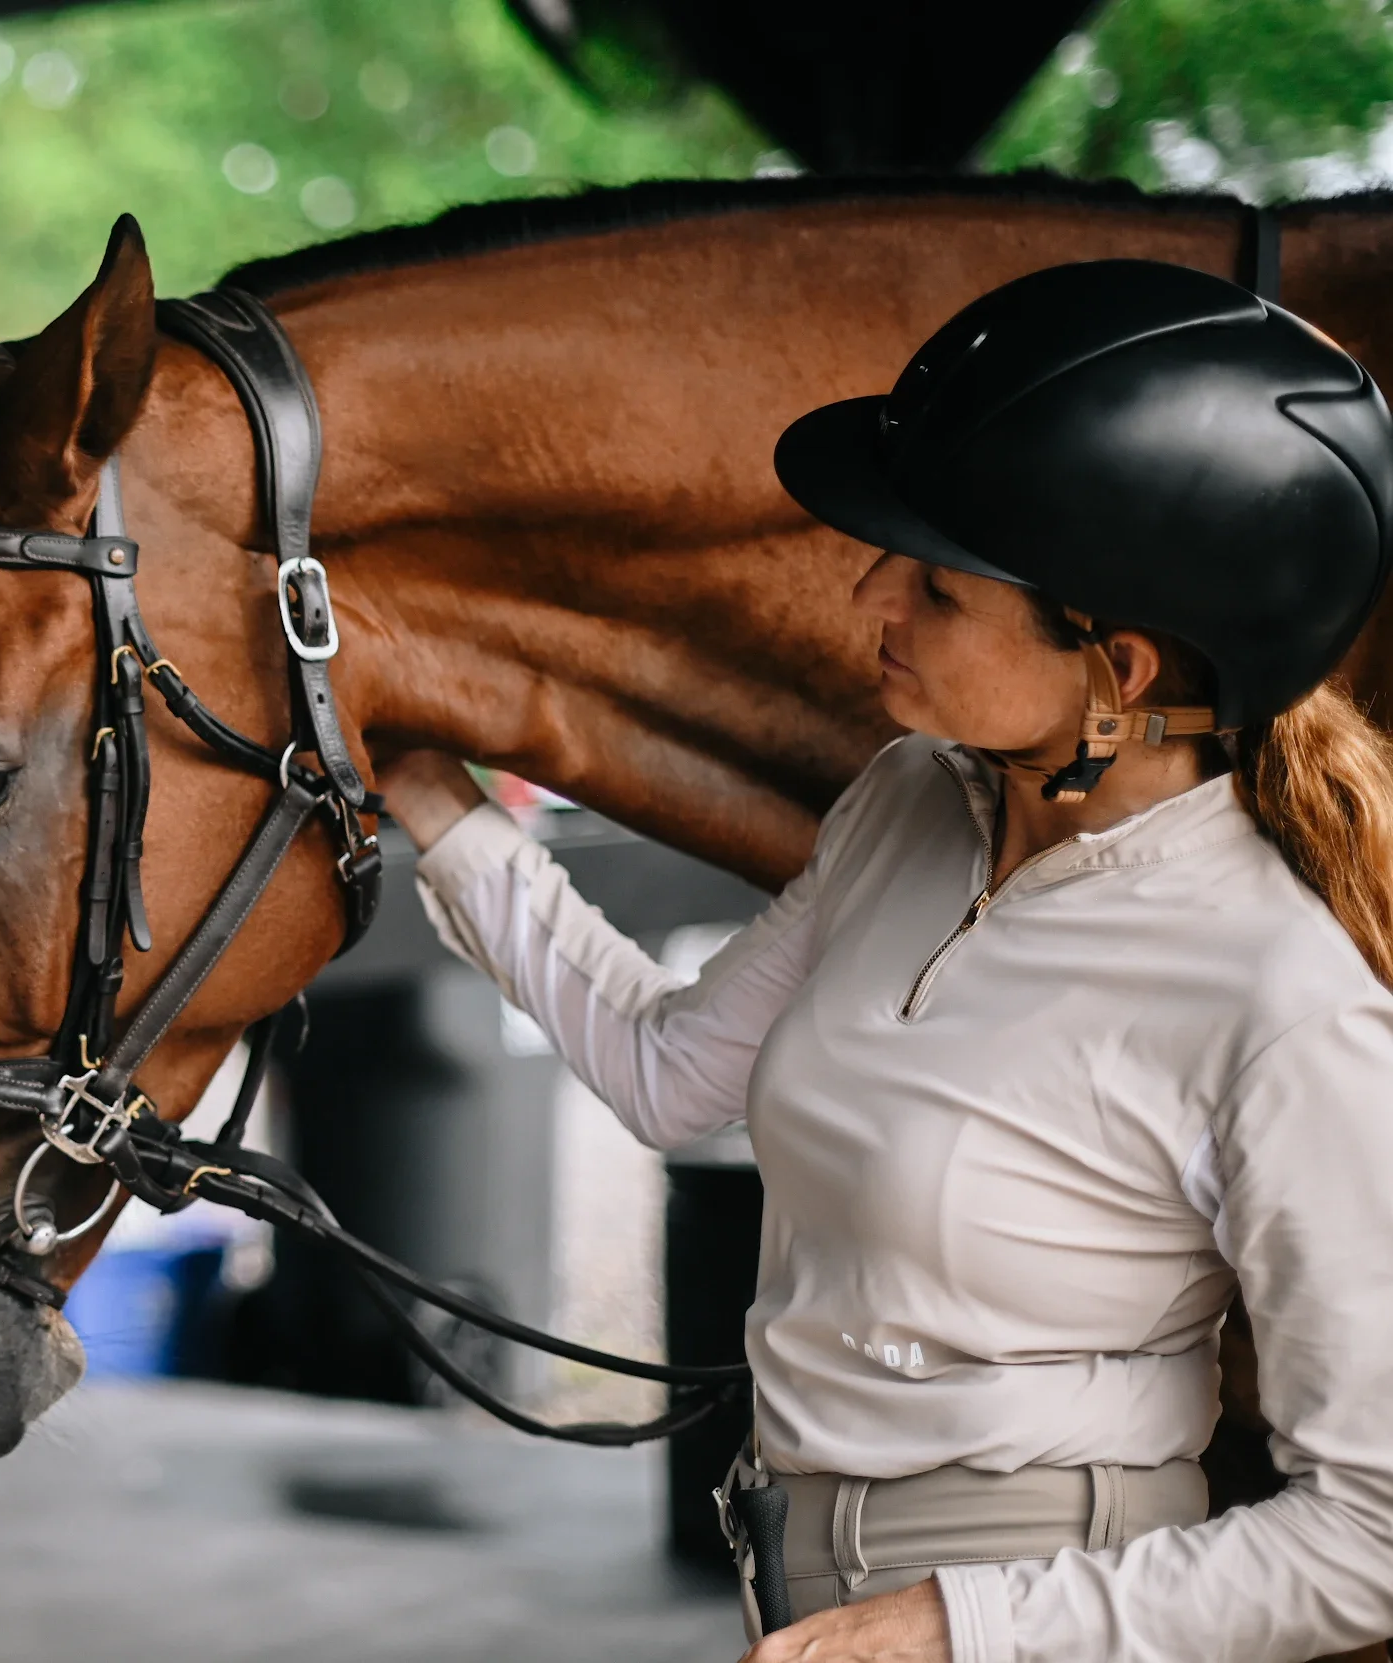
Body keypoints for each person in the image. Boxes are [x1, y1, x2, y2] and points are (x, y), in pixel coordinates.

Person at [382, 260, 1393, 1663]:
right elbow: (674, 1075)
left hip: (1033, 1614)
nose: (870, 597)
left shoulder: (1281, 996)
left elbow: (1373, 1536)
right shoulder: (912, 801)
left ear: (1125, 671)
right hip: (800, 1584)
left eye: (937, 588)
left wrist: (948, 1625)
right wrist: (437, 808)